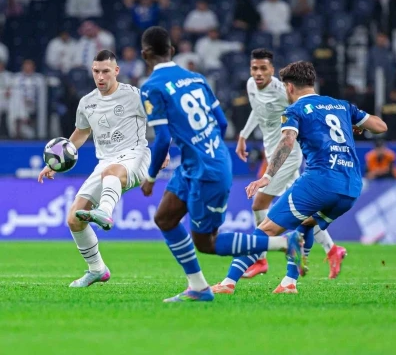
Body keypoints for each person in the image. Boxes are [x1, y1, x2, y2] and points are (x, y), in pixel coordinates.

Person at [139, 26, 304, 303]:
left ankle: (284, 243)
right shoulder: (196, 78)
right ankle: (198, 288)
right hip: (198, 163)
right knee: (164, 218)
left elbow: (163, 138)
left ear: (145, 54)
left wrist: (151, 177)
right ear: (172, 51)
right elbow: (222, 122)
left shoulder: (150, 87)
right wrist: (206, 145)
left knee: (207, 242)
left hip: (207, 170)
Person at [211, 50, 347, 296]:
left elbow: (307, 116)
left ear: (272, 71)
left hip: (287, 156)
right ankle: (331, 249)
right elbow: (258, 110)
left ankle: (260, 258)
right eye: (254, 68)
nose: (258, 73)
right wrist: (243, 135)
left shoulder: (285, 93)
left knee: (259, 204)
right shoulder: (251, 85)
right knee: (305, 213)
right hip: (271, 153)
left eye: (263, 68)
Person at [244, 61, 387, 294]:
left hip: (320, 180)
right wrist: (355, 125)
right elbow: (381, 126)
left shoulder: (295, 110)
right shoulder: (342, 105)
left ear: (289, 87)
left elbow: (287, 141)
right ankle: (291, 281)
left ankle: (229, 280)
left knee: (266, 227)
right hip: (351, 186)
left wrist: (267, 176)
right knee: (306, 223)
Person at [37, 50, 152, 288]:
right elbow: (81, 133)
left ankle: (105, 212)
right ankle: (97, 269)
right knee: (74, 219)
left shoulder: (134, 95)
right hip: (106, 162)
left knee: (112, 172)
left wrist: (165, 151)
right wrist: (55, 162)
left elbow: (161, 120)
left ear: (116, 71)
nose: (100, 77)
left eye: (105, 71)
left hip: (136, 155)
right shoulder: (87, 102)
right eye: (96, 71)